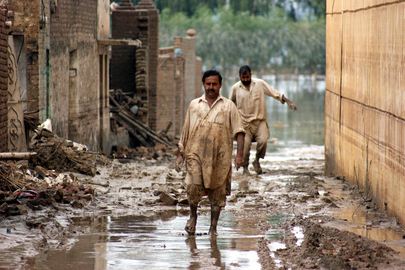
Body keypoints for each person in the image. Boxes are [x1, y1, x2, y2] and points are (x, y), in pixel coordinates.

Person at [175, 70, 245, 236]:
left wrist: (239, 155)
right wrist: (180, 155)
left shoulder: (229, 106)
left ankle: (213, 227)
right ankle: (193, 216)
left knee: (218, 193)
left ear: (220, 85)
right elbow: (185, 132)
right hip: (195, 155)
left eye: (214, 84)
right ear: (203, 84)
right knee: (193, 186)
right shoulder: (194, 105)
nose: (211, 87)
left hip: (219, 157)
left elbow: (240, 132)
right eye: (208, 84)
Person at [229, 65, 297, 175]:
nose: (245, 80)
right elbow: (230, 105)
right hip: (244, 123)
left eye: (247, 77)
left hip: (259, 121)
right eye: (243, 77)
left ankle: (256, 161)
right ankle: (245, 167)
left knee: (263, 141)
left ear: (251, 75)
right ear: (239, 76)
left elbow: (274, 92)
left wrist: (288, 102)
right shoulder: (235, 88)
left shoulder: (259, 84)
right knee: (245, 147)